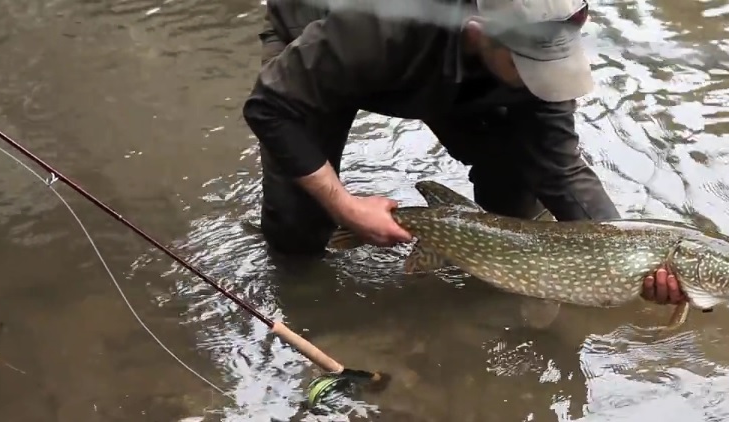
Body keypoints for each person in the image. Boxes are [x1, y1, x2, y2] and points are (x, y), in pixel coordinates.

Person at [242, 0, 686, 305]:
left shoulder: (543, 28)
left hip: (446, 61)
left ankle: (487, 279)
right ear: (479, 35)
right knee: (297, 236)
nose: (542, 80)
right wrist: (347, 207)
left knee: (519, 188)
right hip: (323, 39)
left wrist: (634, 255)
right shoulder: (380, 23)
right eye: (526, 64)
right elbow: (270, 109)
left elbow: (562, 170)